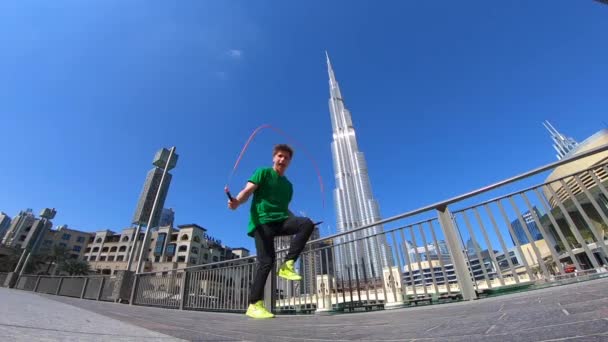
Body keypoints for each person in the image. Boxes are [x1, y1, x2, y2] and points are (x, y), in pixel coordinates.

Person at [227, 143, 315, 319]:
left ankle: (287, 265)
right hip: (262, 223)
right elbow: (248, 190)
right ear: (274, 158)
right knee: (267, 261)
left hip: (280, 221)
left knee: (307, 223)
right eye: (279, 156)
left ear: (289, 162)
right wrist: (237, 201)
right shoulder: (263, 172)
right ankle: (254, 305)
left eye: (286, 157)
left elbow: (284, 209)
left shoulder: (288, 186)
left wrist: (295, 221)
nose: (282, 159)